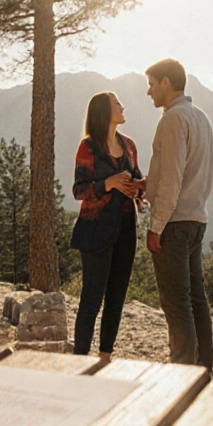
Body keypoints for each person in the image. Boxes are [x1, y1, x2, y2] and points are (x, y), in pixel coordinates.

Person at [137, 59, 213, 371]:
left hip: (174, 222)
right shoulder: (200, 118)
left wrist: (156, 226)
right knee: (196, 298)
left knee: (175, 302)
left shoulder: (172, 119)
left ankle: (182, 370)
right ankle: (203, 367)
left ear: (167, 83)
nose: (149, 92)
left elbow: (172, 178)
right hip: (196, 218)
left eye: (152, 84)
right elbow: (188, 171)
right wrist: (147, 185)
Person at [70, 91, 143, 362]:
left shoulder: (130, 146)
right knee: (91, 299)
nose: (122, 106)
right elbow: (79, 190)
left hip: (126, 229)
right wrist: (107, 184)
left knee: (116, 298)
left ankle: (104, 357)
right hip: (95, 230)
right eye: (116, 103)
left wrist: (139, 191)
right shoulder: (88, 147)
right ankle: (79, 359)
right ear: (104, 111)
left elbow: (137, 181)